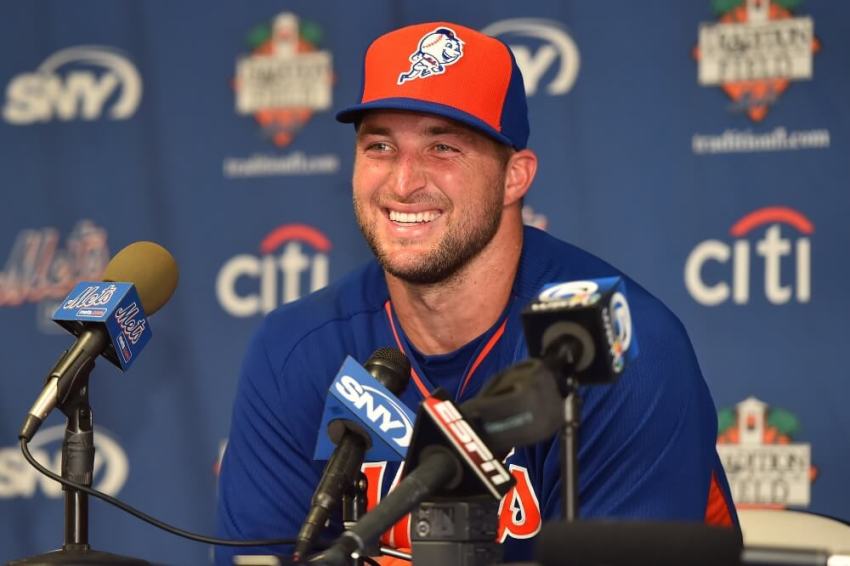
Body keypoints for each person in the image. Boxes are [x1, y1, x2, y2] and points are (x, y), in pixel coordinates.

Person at [215, 21, 739, 564]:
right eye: (380, 145)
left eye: (443, 147)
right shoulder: (296, 349)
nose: (402, 182)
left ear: (515, 177)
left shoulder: (613, 346)